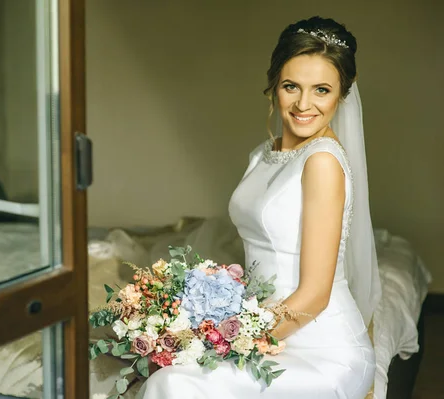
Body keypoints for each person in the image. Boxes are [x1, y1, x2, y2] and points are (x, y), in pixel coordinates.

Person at [136, 16, 381, 399]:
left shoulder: (322, 163)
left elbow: (315, 295)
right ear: (273, 87)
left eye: (321, 90)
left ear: (342, 95)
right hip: (266, 334)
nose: (304, 104)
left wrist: (223, 344)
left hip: (321, 350)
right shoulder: (263, 155)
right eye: (291, 87)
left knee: (173, 382)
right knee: (172, 373)